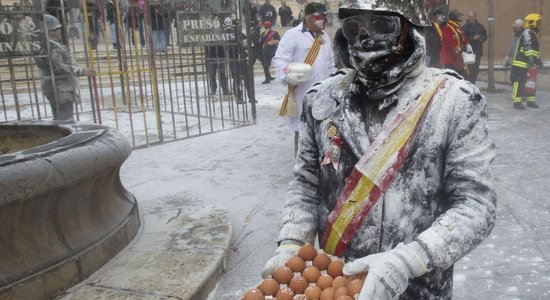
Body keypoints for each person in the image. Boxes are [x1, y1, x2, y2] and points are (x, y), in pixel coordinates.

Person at [262, 0, 497, 299]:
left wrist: (410, 260)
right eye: (353, 26)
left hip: (419, 288)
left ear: (408, 29)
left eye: (381, 25)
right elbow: (306, 186)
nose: (365, 37)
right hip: (338, 285)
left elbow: (477, 204)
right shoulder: (322, 101)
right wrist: (291, 243)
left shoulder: (454, 102)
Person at [272, 2, 336, 155]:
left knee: (325, 134)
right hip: (302, 94)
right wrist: (288, 75)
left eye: (324, 18)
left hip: (324, 95)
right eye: (319, 18)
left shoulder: (325, 36)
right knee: (303, 136)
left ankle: (322, 171)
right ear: (308, 18)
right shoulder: (292, 35)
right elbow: (279, 60)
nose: (324, 21)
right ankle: (303, 172)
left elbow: (331, 64)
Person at [35, 15, 95, 121]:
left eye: (58, 29)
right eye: (56, 29)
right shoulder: (50, 46)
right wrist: (80, 71)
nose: (58, 31)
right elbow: (58, 67)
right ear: (49, 31)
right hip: (59, 87)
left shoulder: (51, 44)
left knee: (60, 119)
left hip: (57, 87)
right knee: (66, 120)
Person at [511, 13, 543, 110]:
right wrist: (533, 60)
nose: (540, 25)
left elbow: (533, 51)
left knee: (530, 82)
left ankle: (531, 101)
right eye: (538, 23)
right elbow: (528, 48)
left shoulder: (531, 33)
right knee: (519, 83)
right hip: (520, 64)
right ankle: (516, 103)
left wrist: (538, 59)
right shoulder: (527, 33)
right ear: (532, 23)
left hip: (527, 63)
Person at [440, 9, 471, 77]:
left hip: (458, 58)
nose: (461, 19)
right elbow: (450, 43)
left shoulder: (459, 28)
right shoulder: (447, 28)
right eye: (459, 17)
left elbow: (464, 38)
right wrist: (460, 51)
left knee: (461, 76)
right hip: (449, 59)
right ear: (454, 18)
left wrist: (467, 44)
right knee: (451, 78)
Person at [463, 10, 487, 84]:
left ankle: (473, 83)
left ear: (475, 16)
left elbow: (485, 36)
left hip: (478, 52)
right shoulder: (464, 27)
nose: (471, 18)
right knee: (469, 70)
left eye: (472, 16)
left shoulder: (480, 26)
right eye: (469, 16)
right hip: (468, 53)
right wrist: (473, 38)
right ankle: (469, 84)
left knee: (476, 70)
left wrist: (481, 38)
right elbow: (463, 39)